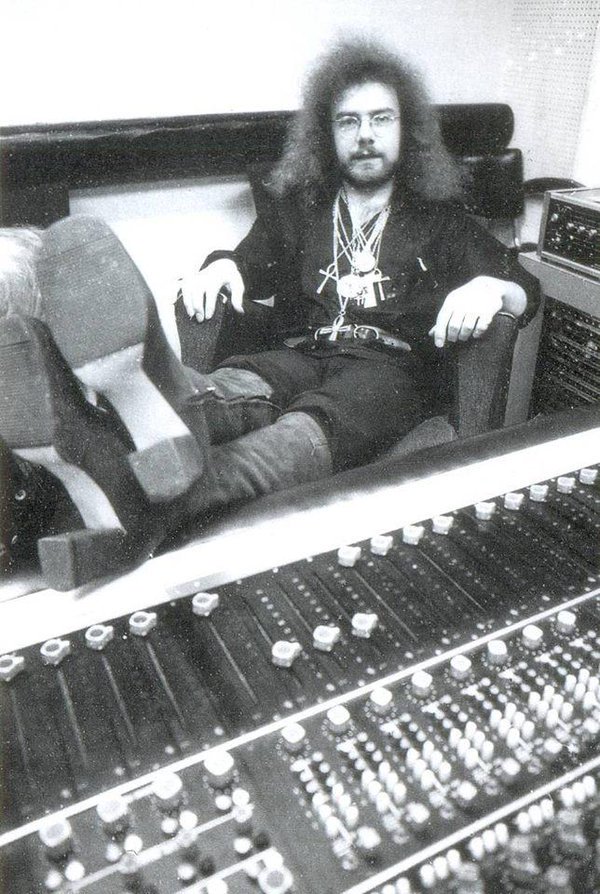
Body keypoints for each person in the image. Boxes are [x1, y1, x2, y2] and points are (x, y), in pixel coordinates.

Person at [0, 38, 537, 591]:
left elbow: (526, 288)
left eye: (381, 119)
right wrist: (222, 268)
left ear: (408, 131)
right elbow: (248, 261)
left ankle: (132, 501)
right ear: (327, 135)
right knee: (228, 389)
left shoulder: (441, 221)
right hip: (298, 354)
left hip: (388, 373)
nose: (366, 135)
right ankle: (119, 412)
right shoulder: (302, 209)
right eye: (348, 121)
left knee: (292, 437)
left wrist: (491, 288)